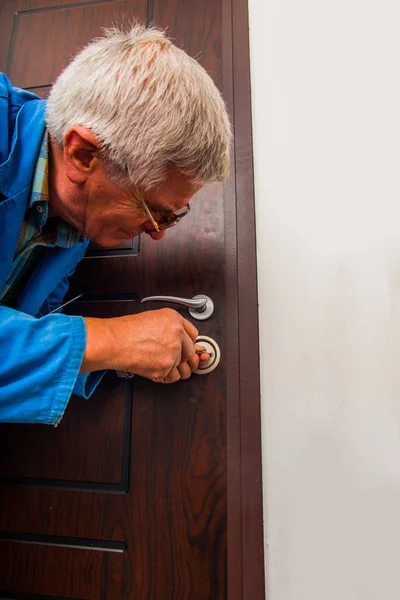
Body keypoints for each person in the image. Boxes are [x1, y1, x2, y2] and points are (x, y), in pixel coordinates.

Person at [0, 24, 231, 424]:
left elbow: (33, 327)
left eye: (174, 217)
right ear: (84, 153)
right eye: (155, 209)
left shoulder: (74, 223)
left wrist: (133, 354)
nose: (157, 232)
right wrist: (113, 341)